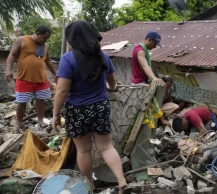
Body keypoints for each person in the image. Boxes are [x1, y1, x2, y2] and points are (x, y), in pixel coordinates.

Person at [51, 21, 128, 193]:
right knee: (106, 147)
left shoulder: (68, 59)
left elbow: (62, 89)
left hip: (77, 110)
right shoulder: (103, 56)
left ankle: (89, 186)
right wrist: (113, 89)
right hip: (100, 106)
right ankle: (121, 180)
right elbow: (112, 81)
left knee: (84, 151)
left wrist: (56, 113)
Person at [5, 26, 57, 132]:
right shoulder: (22, 40)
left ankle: (41, 121)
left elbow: (48, 61)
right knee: (21, 102)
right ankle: (18, 122)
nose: (46, 40)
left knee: (40, 100)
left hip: (41, 79)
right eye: (44, 38)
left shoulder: (44, 45)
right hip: (24, 78)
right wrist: (8, 70)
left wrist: (56, 74)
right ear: (38, 34)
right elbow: (12, 55)